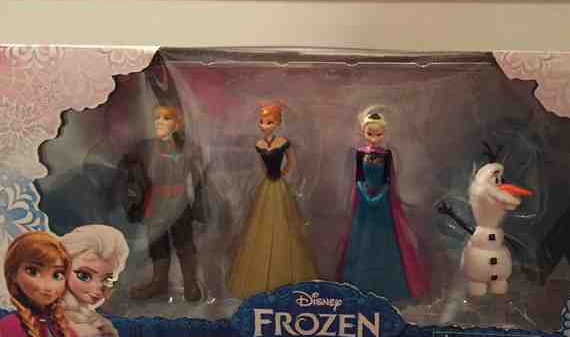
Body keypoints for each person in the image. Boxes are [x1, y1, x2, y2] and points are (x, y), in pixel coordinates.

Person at [226, 103, 317, 298]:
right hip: (267, 185)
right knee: (262, 224)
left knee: (284, 223)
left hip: (279, 185)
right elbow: (261, 164)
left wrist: (282, 174)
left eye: (269, 122)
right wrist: (267, 176)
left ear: (278, 123)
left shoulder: (283, 142)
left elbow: (291, 162)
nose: (264, 125)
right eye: (262, 122)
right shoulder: (259, 144)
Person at [337, 111, 427, 300]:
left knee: (385, 238)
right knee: (362, 237)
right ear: (363, 132)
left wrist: (381, 194)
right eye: (370, 133)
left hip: (383, 201)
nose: (374, 137)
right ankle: (359, 283)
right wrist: (363, 192)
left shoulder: (386, 154)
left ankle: (389, 285)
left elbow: (388, 178)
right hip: (363, 200)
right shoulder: (360, 153)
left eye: (378, 134)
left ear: (384, 134)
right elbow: (358, 177)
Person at [120, 103, 205, 301]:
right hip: (155, 203)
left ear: (177, 124)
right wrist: (132, 188)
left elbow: (199, 179)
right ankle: (159, 282)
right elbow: (127, 168)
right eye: (157, 118)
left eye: (166, 118)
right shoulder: (144, 147)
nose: (159, 122)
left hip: (179, 203)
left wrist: (199, 206)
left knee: (184, 242)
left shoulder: (189, 149)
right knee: (157, 243)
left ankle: (190, 283)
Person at [0, 231, 89, 337]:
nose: (48, 286)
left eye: (57, 275)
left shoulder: (61, 326)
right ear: (13, 275)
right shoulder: (9, 326)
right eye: (33, 271)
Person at [61, 224, 129, 337]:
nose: (97, 289)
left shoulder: (94, 319)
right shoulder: (56, 320)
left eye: (107, 279)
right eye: (84, 276)